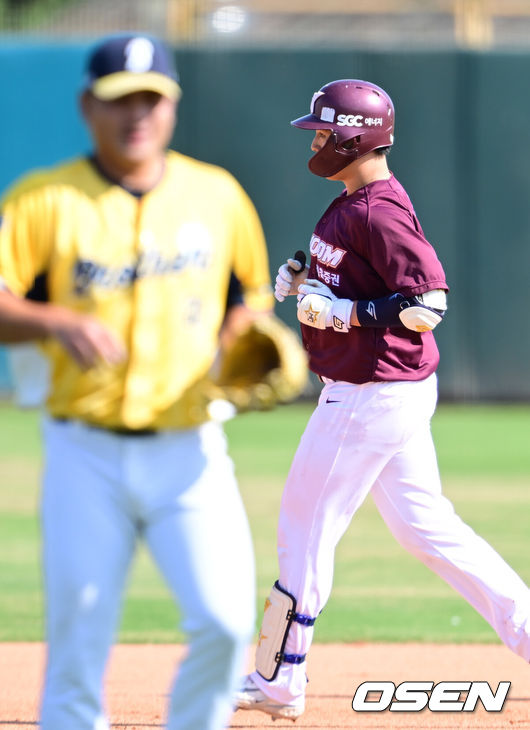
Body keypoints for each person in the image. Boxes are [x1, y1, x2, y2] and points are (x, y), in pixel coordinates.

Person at [0, 33, 275, 730]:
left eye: (152, 99)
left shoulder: (216, 195)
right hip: (82, 450)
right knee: (78, 640)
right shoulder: (44, 198)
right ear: (88, 105)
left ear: (173, 105)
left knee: (223, 620)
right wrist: (54, 320)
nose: (138, 116)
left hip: (191, 446)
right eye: (122, 101)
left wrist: (242, 340)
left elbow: (249, 297)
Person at [234, 79, 530, 721]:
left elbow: (428, 304)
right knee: (427, 529)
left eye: (321, 130)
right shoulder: (354, 200)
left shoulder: (377, 208)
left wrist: (346, 312)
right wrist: (306, 278)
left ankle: (278, 679)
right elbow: (354, 268)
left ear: (353, 136)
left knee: (304, 530)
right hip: (388, 392)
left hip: (370, 396)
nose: (313, 140)